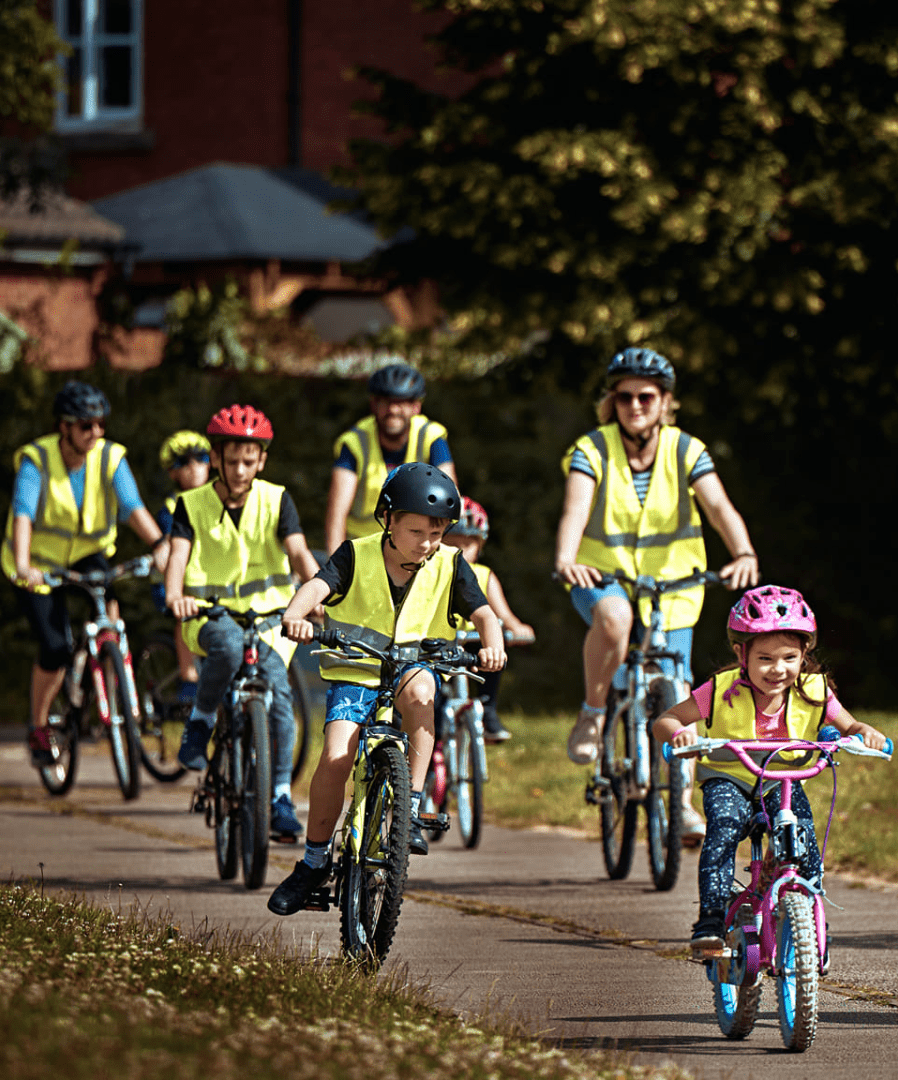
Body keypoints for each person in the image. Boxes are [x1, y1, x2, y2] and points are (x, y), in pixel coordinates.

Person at [266, 464, 507, 915]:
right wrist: (295, 615)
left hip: (413, 666)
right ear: (388, 520)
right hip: (355, 669)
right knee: (337, 756)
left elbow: (484, 613)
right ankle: (314, 861)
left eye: (438, 532)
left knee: (421, 697)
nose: (428, 542)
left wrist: (493, 646)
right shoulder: (355, 554)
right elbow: (317, 585)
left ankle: (411, 808)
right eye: (416, 531)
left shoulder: (451, 564)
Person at [553, 347, 763, 842]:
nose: (634, 404)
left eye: (646, 395)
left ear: (666, 401)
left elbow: (719, 507)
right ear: (612, 401)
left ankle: (683, 805)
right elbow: (575, 511)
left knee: (678, 690)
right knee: (615, 620)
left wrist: (744, 551)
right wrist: (566, 558)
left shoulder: (686, 449)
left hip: (673, 587)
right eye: (623, 395)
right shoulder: (592, 449)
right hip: (603, 578)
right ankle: (593, 712)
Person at [651, 586, 887, 955]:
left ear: (804, 652)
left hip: (783, 783)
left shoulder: (815, 691)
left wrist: (865, 733)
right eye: (764, 659)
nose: (778, 670)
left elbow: (851, 727)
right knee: (723, 832)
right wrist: (680, 736)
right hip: (731, 779)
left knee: (804, 840)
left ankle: (807, 918)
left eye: (789, 657)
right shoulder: (719, 690)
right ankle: (710, 920)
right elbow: (666, 719)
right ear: (740, 654)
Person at [163, 406, 319, 841]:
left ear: (261, 460)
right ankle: (200, 722)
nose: (239, 469)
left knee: (279, 695)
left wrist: (316, 591)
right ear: (215, 458)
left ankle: (280, 797)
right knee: (228, 650)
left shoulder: (276, 498)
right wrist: (176, 595)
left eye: (248, 461)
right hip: (209, 613)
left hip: (270, 618)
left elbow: (299, 552)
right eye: (230, 461)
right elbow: (177, 555)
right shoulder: (191, 504)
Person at [2, 381, 164, 769]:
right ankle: (39, 726)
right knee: (55, 648)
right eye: (86, 426)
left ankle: (114, 694)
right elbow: (23, 513)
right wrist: (26, 566)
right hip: (40, 562)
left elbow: (132, 506)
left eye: (100, 424)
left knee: (110, 618)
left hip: (89, 555)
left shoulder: (110, 457)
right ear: (65, 427)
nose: (96, 433)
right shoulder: (38, 460)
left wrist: (160, 544)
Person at [324, 362, 455, 553]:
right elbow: (336, 515)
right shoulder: (355, 443)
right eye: (386, 402)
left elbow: (450, 502)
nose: (393, 410)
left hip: (415, 549)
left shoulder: (431, 437)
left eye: (400, 402)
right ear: (374, 405)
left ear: (415, 407)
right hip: (362, 549)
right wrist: (336, 570)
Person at [440, 496, 536, 743]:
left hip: (472, 640)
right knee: (433, 708)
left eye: (468, 544)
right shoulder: (431, 572)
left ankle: (487, 707)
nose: (460, 551)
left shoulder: (484, 575)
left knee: (495, 643)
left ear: (480, 546)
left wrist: (517, 627)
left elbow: (502, 614)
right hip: (437, 642)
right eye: (452, 544)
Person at [152, 430, 213, 705]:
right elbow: (169, 544)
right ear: (172, 472)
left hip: (212, 575)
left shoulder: (219, 497)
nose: (193, 468)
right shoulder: (170, 506)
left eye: (200, 459)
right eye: (183, 463)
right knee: (184, 614)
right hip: (179, 579)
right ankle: (189, 677)